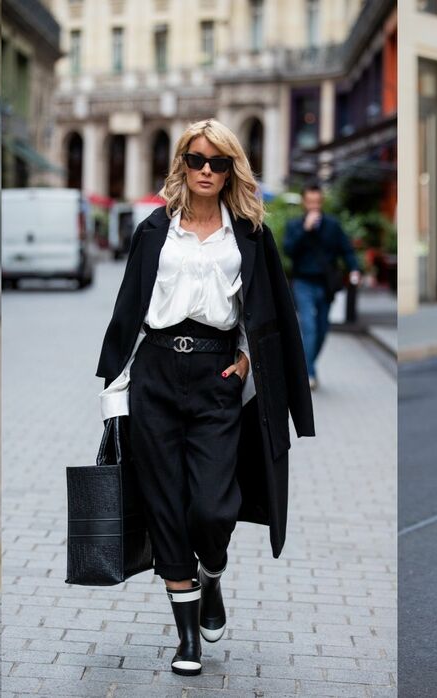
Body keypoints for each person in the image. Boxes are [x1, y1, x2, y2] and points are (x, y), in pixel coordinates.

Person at [96, 119, 315, 676]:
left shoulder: (249, 232)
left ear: (232, 169)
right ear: (182, 165)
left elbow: (267, 308)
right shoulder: (153, 231)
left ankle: (211, 572)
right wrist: (115, 390)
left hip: (218, 375)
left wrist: (246, 357)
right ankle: (187, 638)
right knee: (166, 504)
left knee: (214, 506)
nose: (207, 172)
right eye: (197, 160)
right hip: (156, 373)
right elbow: (128, 311)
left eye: (219, 163)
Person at [282, 183, 360, 389]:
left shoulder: (332, 226)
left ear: (321, 202)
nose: (314, 206)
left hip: (325, 285)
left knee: (323, 329)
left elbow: (347, 250)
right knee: (308, 327)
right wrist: (305, 231)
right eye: (310, 202)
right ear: (303, 203)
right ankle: (308, 373)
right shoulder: (295, 225)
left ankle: (306, 366)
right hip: (303, 282)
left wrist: (354, 269)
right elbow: (288, 251)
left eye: (317, 202)